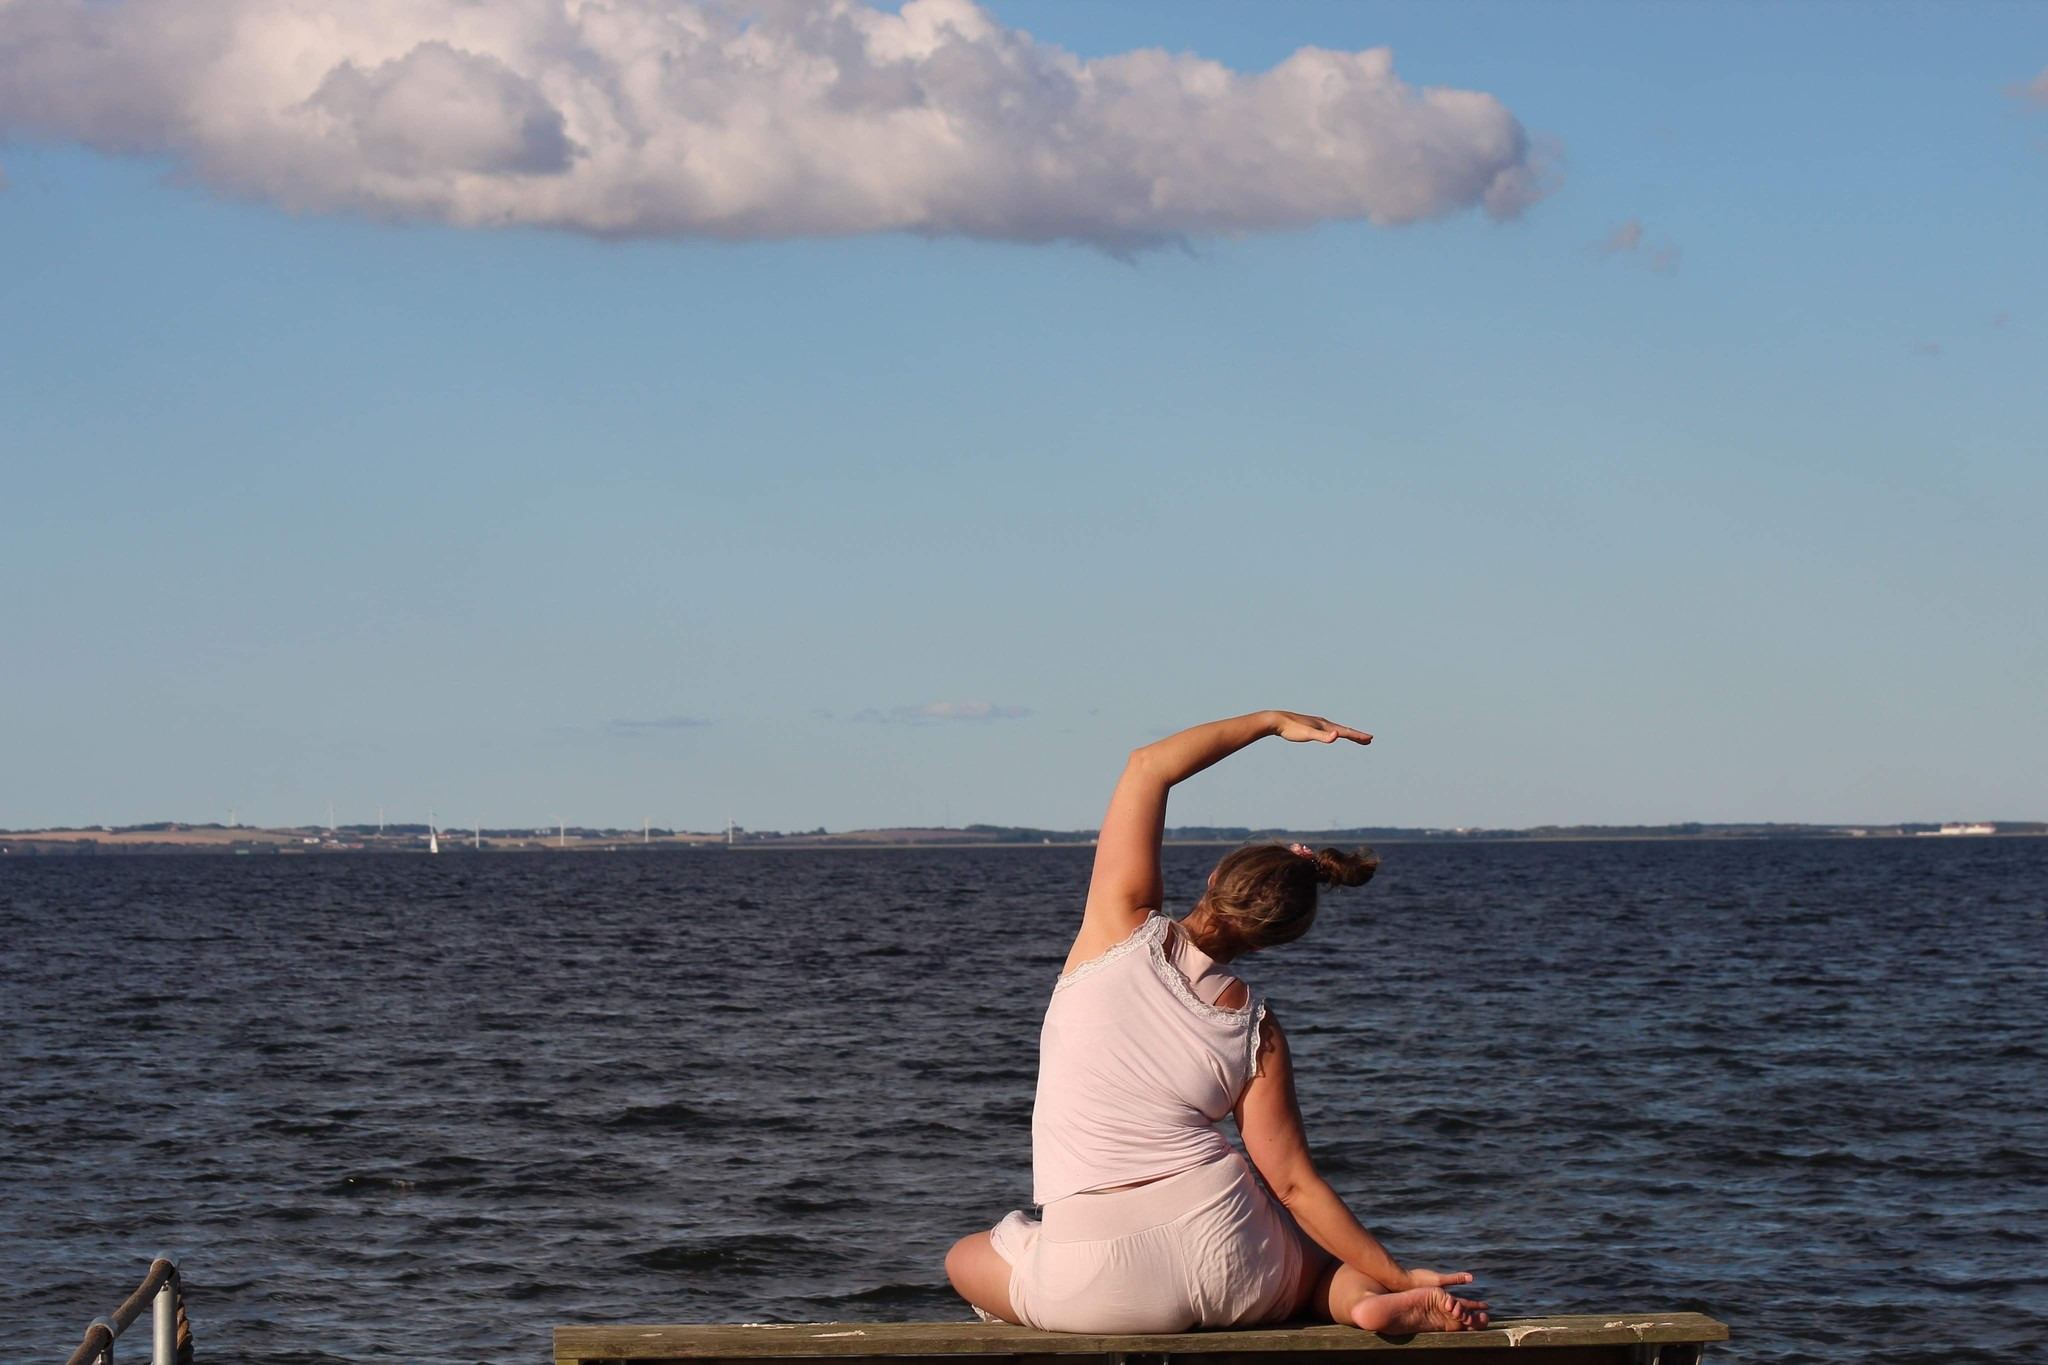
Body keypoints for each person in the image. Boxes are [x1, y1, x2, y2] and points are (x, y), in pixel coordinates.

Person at [945, 710, 1488, 1336]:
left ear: (1213, 878)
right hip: (1228, 1250)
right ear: (1270, 944)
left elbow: (1148, 766)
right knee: (1318, 1274)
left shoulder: (1115, 929)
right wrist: (1396, 1273)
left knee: (967, 1257)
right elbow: (1293, 1184)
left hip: (1092, 1285)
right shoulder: (1257, 1026)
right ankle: (1364, 1302)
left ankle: (1354, 1297)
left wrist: (1271, 722)